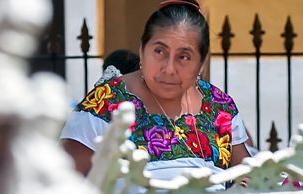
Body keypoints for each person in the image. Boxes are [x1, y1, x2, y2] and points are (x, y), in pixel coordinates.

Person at [60, 0, 250, 192]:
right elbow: (62, 182)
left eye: (184, 56)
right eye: (159, 51)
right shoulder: (105, 102)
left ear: (201, 63)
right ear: (142, 51)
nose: (169, 69)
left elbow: (250, 178)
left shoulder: (218, 105)